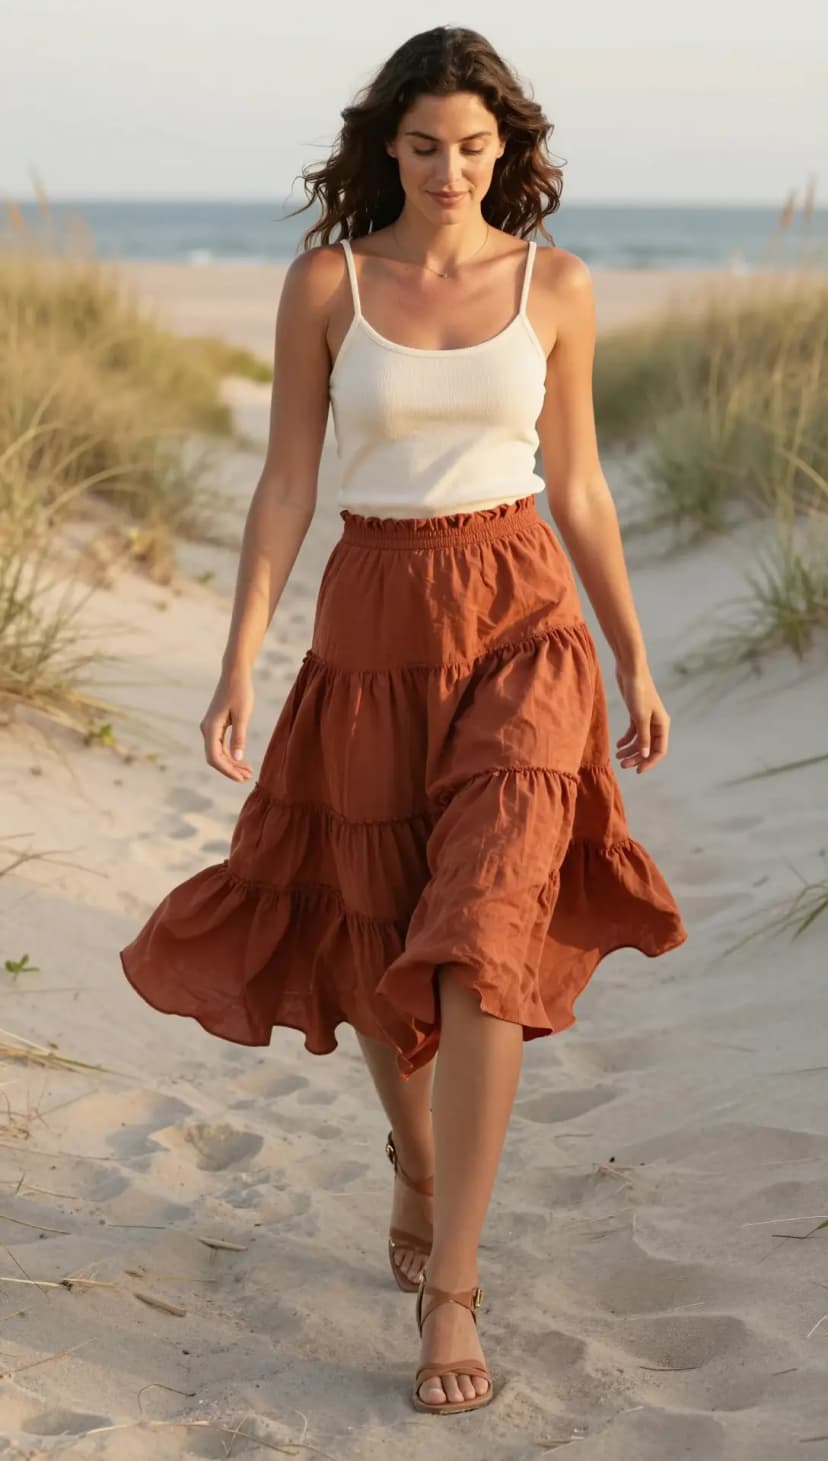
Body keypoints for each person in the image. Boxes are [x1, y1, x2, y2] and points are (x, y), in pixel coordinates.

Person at [120, 25, 687, 1417]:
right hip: (375, 618)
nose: (448, 171)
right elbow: (284, 488)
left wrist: (632, 652)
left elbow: (585, 487)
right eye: (426, 145)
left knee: (486, 931)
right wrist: (241, 660)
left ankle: (458, 1284)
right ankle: (417, 1157)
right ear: (389, 143)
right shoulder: (329, 283)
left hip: (522, 620)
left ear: (512, 154)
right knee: (380, 931)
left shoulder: (557, 287)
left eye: (475, 149)